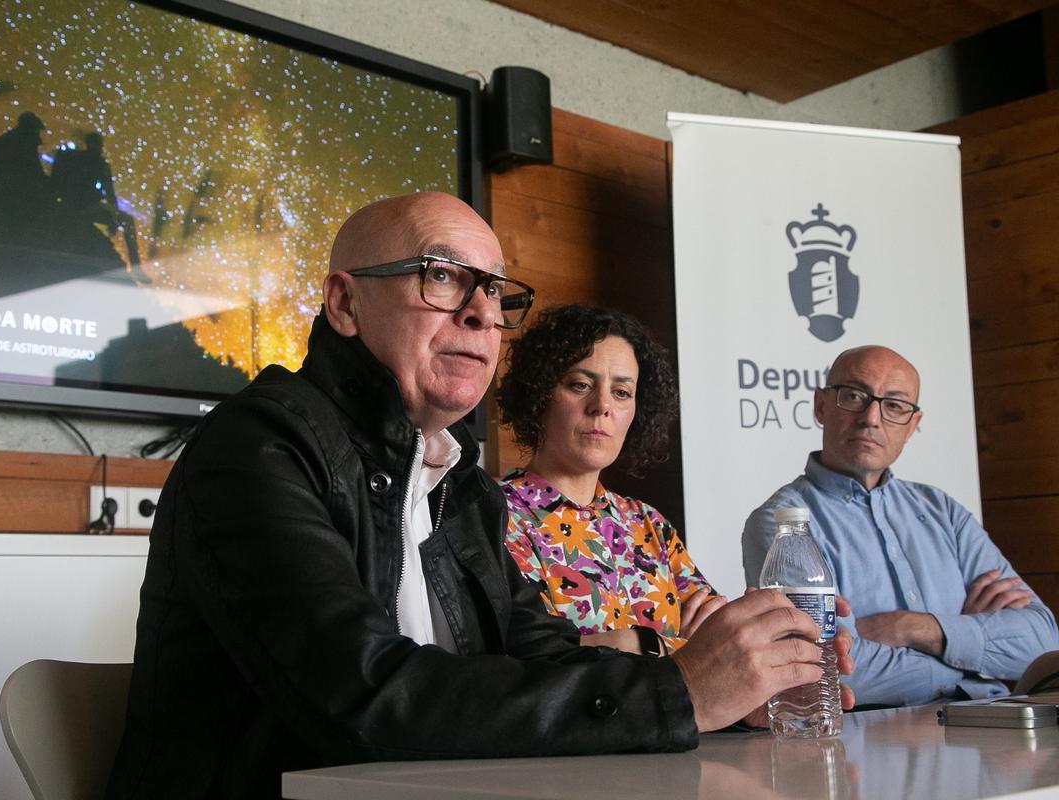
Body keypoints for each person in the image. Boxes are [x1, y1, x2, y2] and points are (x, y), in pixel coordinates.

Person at [107, 192, 853, 798]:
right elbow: (361, 696)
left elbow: (545, 657)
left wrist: (730, 696)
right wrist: (680, 694)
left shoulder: (457, 484)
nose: (480, 313)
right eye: (441, 275)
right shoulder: (254, 449)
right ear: (343, 303)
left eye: (494, 291)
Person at [742, 344, 1058, 707]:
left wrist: (914, 628)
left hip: (991, 728)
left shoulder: (944, 512)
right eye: (855, 396)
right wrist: (971, 654)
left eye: (894, 406)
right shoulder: (784, 523)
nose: (872, 418)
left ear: (912, 426)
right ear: (821, 406)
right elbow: (829, 668)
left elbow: (1044, 644)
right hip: (869, 743)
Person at [497, 304, 726, 657]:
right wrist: (667, 648)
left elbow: (717, 644)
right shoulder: (496, 514)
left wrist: (632, 645)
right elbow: (535, 658)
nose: (602, 405)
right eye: (580, 384)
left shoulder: (650, 525)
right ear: (539, 395)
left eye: (621, 392)